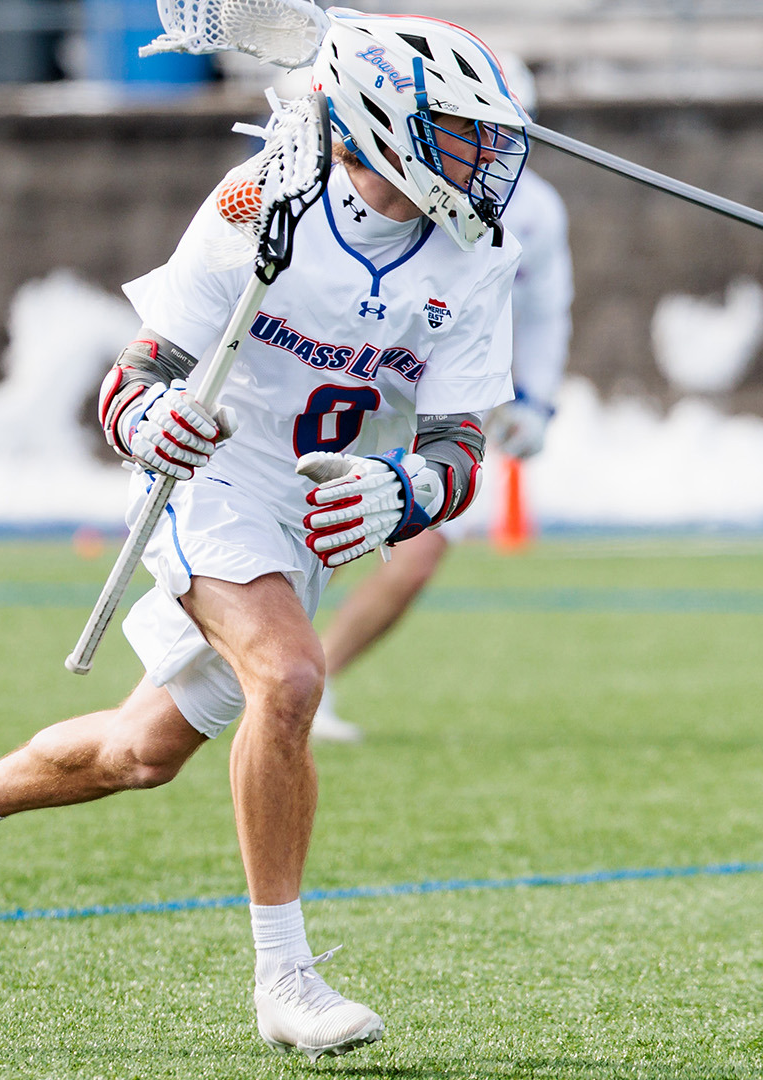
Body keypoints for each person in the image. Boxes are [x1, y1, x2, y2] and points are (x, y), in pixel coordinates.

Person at [0, 11, 531, 1060]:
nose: (487, 159)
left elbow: (458, 450)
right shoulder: (263, 203)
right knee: (292, 682)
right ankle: (286, 979)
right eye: (461, 132)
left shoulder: (476, 258)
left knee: (139, 752)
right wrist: (152, 421)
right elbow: (135, 380)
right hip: (215, 482)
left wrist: (405, 494)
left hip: (320, 512)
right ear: (387, 127)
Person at [311, 54, 573, 743]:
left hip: (447, 397)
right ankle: (237, 667)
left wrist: (536, 400)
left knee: (418, 546)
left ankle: (316, 680)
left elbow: (546, 311)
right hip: (362, 381)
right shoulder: (386, 187)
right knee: (308, 536)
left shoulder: (536, 211)